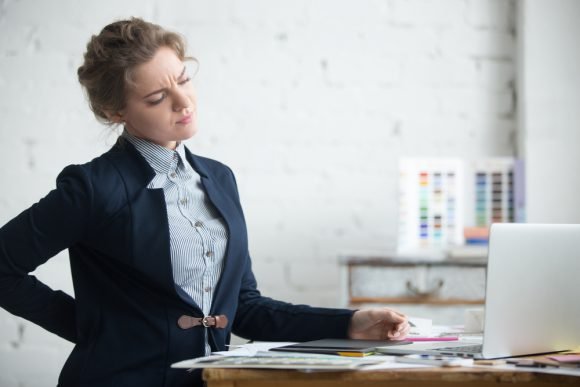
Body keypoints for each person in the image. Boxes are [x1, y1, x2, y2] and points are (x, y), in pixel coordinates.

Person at [0, 18, 410, 387]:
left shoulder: (219, 178)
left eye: (183, 78)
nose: (184, 102)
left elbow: (244, 308)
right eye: (158, 97)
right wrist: (91, 327)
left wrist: (351, 323)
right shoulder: (93, 187)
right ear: (115, 110)